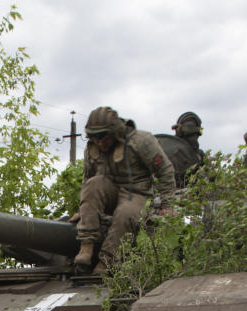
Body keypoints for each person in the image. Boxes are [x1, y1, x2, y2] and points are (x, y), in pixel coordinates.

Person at [74, 106, 177, 274]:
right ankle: (86, 247)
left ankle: (107, 260)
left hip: (136, 192)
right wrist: (85, 210)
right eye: (95, 138)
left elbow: (165, 170)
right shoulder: (93, 148)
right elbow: (88, 179)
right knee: (93, 184)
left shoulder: (141, 141)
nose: (100, 142)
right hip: (108, 190)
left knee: (125, 214)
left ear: (115, 132)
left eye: (103, 137)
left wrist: (167, 204)